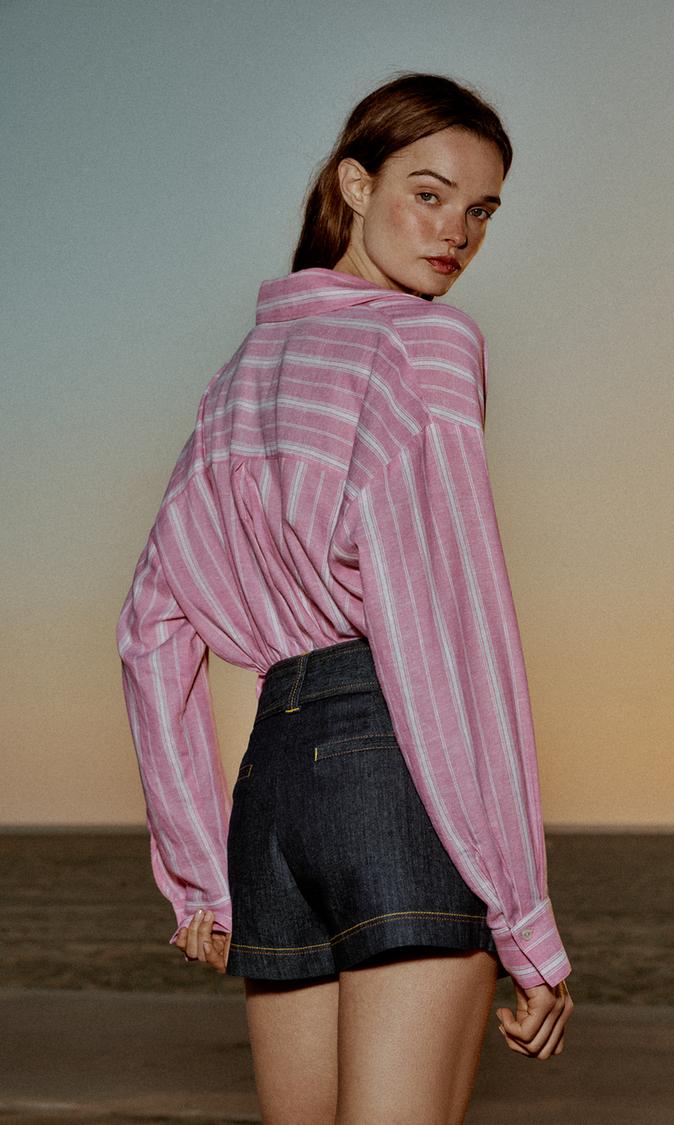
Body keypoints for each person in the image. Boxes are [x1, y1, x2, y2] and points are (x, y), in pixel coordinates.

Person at [117, 72, 573, 1125]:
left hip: (271, 794)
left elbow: (149, 629)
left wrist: (197, 869)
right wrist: (525, 917)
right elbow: (453, 636)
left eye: (482, 211)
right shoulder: (426, 345)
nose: (457, 233)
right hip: (398, 771)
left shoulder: (237, 378)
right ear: (355, 185)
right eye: (430, 193)